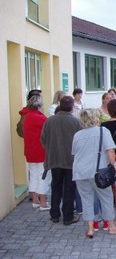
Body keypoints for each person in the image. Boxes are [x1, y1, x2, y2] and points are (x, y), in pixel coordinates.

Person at [72, 108, 116, 238]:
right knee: (106, 198)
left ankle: (90, 229)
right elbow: (110, 150)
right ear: (96, 118)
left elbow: (75, 153)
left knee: (86, 200)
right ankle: (112, 227)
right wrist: (113, 165)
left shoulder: (77, 135)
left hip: (80, 172)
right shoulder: (103, 131)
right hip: (99, 172)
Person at [40, 96, 82, 225]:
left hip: (54, 159)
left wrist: (51, 149)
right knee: (69, 188)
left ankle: (55, 214)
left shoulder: (49, 121)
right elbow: (80, 141)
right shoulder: (75, 122)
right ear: (71, 107)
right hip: (70, 160)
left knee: (56, 187)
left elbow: (43, 140)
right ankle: (68, 216)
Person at [23, 95, 51, 210]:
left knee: (33, 175)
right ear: (39, 105)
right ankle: (43, 202)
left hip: (30, 150)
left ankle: (35, 199)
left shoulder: (27, 116)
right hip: (41, 151)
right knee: (43, 176)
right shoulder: (41, 118)